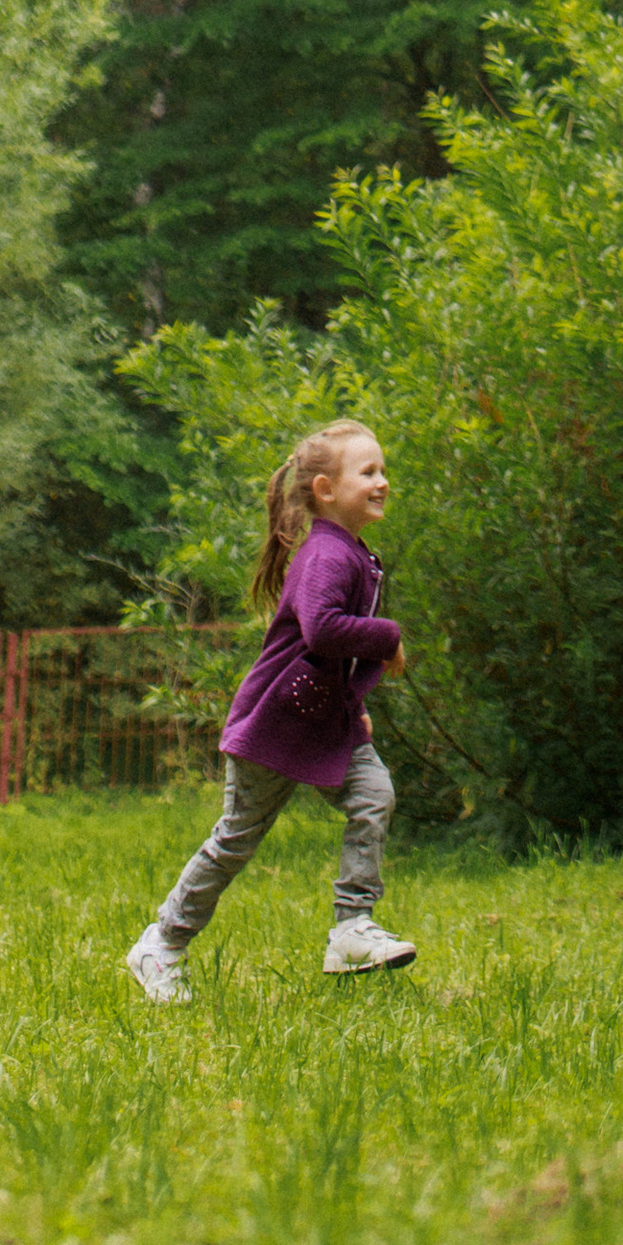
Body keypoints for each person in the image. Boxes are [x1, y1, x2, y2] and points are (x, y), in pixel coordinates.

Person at [125, 417, 417, 1001]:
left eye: (383, 470)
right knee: (236, 839)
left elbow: (330, 656)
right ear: (325, 491)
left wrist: (353, 702)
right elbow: (324, 630)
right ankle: (161, 944)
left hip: (325, 719)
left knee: (373, 794)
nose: (383, 481)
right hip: (276, 725)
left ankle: (351, 927)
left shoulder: (355, 554)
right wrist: (387, 636)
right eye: (368, 472)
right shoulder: (326, 556)